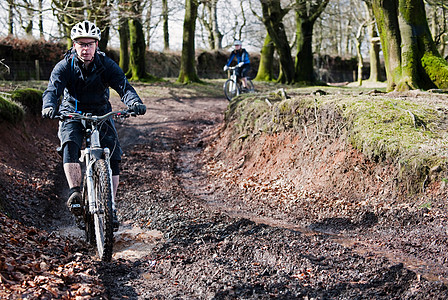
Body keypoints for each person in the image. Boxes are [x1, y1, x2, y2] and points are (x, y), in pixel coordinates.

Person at [41, 21, 146, 230]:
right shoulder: (65, 66)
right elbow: (53, 90)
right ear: (74, 45)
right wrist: (49, 105)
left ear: (97, 45)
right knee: (70, 142)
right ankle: (75, 193)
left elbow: (123, 86)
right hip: (72, 112)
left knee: (114, 155)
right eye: (81, 44)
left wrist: (134, 102)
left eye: (90, 44)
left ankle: (111, 206)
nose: (86, 48)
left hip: (101, 112)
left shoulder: (106, 65)